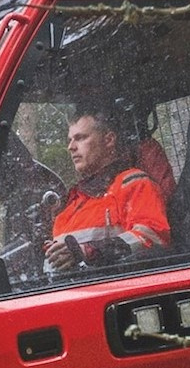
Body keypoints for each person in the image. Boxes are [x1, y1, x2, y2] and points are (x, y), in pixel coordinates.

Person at [46, 107, 170, 273]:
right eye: (69, 140)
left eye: (80, 138)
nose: (71, 147)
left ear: (109, 140)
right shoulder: (73, 200)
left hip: (116, 288)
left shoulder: (133, 184)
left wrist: (90, 251)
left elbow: (152, 237)